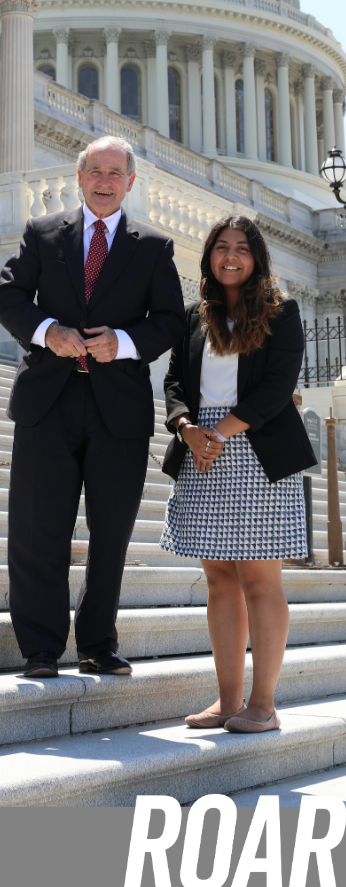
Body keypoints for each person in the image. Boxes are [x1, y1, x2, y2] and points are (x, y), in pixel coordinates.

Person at [0, 135, 186, 679]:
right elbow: (6, 296)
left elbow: (170, 320)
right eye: (95, 171)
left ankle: (99, 642)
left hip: (116, 409)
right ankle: (41, 648)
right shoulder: (43, 232)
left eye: (114, 172)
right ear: (79, 178)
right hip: (46, 402)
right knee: (37, 528)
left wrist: (121, 342)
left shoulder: (154, 246)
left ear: (130, 182)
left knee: (111, 533)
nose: (104, 180)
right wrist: (46, 331)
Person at [161, 215, 316, 732]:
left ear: (257, 259)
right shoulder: (193, 317)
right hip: (201, 450)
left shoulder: (282, 311)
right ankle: (227, 702)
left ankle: (263, 705)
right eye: (221, 247)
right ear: (208, 257)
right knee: (218, 579)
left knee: (259, 579)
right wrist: (186, 428)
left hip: (256, 450)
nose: (231, 256)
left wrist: (219, 433)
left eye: (242, 248)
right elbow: (175, 381)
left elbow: (277, 387)